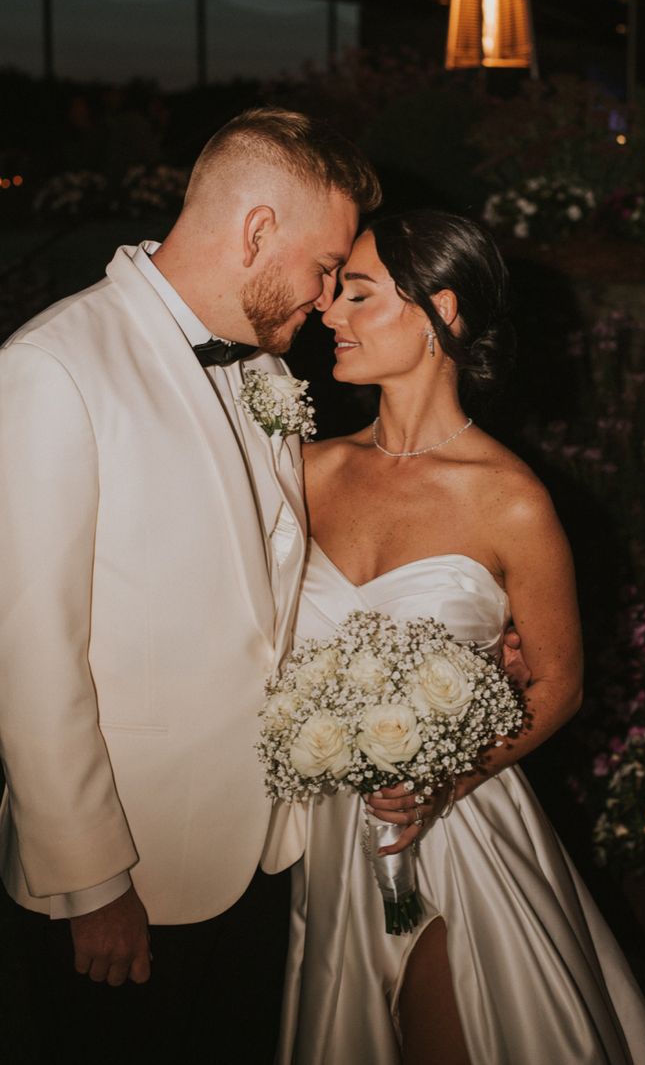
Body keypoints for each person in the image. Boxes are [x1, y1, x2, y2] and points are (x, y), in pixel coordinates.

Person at [0, 106, 381, 1064]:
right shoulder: (52, 369)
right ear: (257, 232)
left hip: (263, 856)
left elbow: (277, 587)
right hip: (129, 882)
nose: (330, 298)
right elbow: (29, 656)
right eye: (325, 266)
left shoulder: (261, 365)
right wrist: (93, 887)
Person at [269, 210, 645, 1065]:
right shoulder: (303, 471)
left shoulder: (511, 499)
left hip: (458, 832)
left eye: (359, 293)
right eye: (336, 292)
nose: (331, 313)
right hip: (321, 839)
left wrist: (448, 780)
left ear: (439, 313)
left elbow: (559, 685)